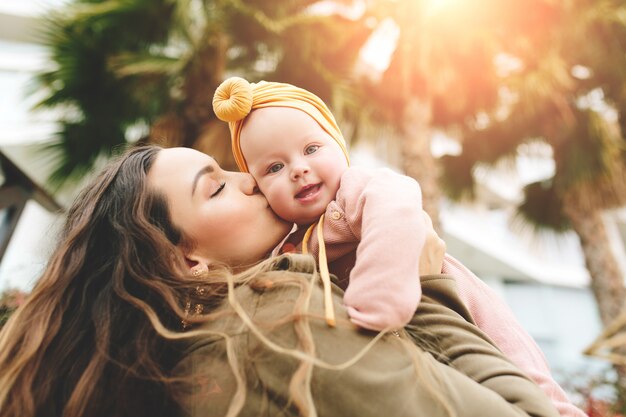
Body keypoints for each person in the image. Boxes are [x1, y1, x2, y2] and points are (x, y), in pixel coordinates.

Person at [0, 145, 561, 417]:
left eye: (229, 168)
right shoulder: (276, 323)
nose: (250, 181)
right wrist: (425, 285)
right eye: (215, 187)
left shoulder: (183, 366)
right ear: (183, 262)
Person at [211, 76, 587, 417]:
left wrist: (379, 291)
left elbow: (396, 208)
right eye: (273, 168)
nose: (297, 169)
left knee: (523, 373)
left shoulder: (359, 189)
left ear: (339, 146)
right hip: (419, 354)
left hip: (461, 309)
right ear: (258, 186)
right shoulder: (292, 247)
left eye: (311, 149)